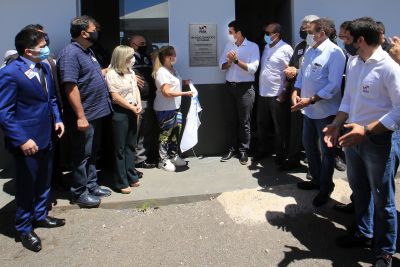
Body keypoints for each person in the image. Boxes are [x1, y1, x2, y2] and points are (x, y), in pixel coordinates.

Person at [324, 18, 400, 267]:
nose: (345, 43)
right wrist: (336, 124)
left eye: (348, 39)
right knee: (360, 191)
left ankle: (385, 252)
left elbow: (399, 111)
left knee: (383, 199)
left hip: (377, 141)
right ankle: (364, 233)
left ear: (361, 40)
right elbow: (347, 100)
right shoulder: (355, 62)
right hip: (352, 138)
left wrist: (365, 131)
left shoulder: (389, 68)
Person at [0, 28, 65, 252]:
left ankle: (40, 215)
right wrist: (21, 139)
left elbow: (52, 99)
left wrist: (58, 119)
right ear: (28, 51)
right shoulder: (11, 72)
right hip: (27, 141)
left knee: (44, 180)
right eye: (41, 46)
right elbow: (4, 113)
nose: (46, 48)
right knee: (27, 186)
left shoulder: (44, 67)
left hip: (47, 135)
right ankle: (24, 228)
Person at [57, 15, 113, 207]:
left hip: (96, 113)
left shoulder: (87, 52)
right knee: (81, 155)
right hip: (84, 116)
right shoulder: (70, 54)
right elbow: (70, 87)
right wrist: (80, 116)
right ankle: (79, 193)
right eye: (93, 30)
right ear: (83, 33)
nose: (96, 33)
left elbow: (90, 76)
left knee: (92, 152)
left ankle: (91, 184)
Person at [291, 18, 346, 207]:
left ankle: (325, 187)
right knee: (309, 148)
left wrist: (312, 99)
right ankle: (315, 179)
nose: (308, 35)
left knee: (327, 152)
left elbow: (333, 85)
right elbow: (302, 75)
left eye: (311, 32)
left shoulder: (335, 53)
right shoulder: (310, 50)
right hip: (308, 111)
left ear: (322, 33)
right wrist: (296, 92)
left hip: (325, 112)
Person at [219, 20, 260, 165]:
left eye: (231, 32)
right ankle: (231, 149)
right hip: (229, 87)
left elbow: (253, 68)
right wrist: (229, 62)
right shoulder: (228, 46)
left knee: (244, 121)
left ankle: (243, 150)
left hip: (245, 89)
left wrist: (236, 61)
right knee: (230, 120)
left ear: (239, 33)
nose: (229, 35)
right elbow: (221, 65)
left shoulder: (253, 47)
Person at [282, 15, 319, 171]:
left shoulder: (322, 47)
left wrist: (296, 71)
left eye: (306, 27)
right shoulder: (299, 46)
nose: (303, 30)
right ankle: (294, 158)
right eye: (302, 27)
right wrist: (290, 71)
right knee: (296, 129)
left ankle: (314, 166)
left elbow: (313, 72)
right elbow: (294, 66)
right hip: (297, 93)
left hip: (314, 97)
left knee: (315, 134)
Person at [254, 22, 293, 166]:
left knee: (279, 127)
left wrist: (284, 92)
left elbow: (291, 72)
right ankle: (264, 150)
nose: (266, 35)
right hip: (263, 93)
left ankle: (281, 154)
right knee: (262, 124)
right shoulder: (265, 47)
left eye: (268, 33)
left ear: (277, 34)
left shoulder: (286, 48)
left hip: (277, 94)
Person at [106, 45, 141, 194]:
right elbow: (115, 96)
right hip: (120, 112)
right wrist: (131, 108)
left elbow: (135, 90)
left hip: (133, 109)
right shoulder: (112, 74)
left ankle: (131, 175)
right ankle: (121, 181)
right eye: (129, 57)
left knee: (131, 145)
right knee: (119, 148)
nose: (132, 60)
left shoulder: (130, 72)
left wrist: (138, 106)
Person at [152, 46, 193, 172]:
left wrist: (185, 82)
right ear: (166, 57)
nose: (175, 57)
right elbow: (167, 92)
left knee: (175, 133)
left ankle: (173, 155)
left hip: (176, 107)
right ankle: (162, 160)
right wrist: (185, 94)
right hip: (165, 109)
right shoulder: (162, 72)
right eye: (173, 55)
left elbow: (174, 83)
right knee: (165, 135)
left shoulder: (172, 70)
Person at [129, 34, 158, 169]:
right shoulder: (128, 58)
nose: (144, 46)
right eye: (141, 43)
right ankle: (135, 160)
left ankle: (142, 157)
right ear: (132, 44)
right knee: (137, 131)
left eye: (144, 43)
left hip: (149, 98)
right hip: (136, 101)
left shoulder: (146, 58)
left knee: (146, 131)